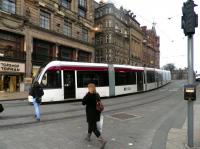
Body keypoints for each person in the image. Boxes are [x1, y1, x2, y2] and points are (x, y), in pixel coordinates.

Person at [82, 83, 106, 148]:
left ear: (89, 88)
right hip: (96, 114)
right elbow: (98, 102)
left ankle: (102, 141)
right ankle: (88, 137)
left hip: (91, 114)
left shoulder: (89, 95)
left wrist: (87, 94)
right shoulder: (97, 94)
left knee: (94, 128)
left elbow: (83, 102)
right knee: (91, 125)